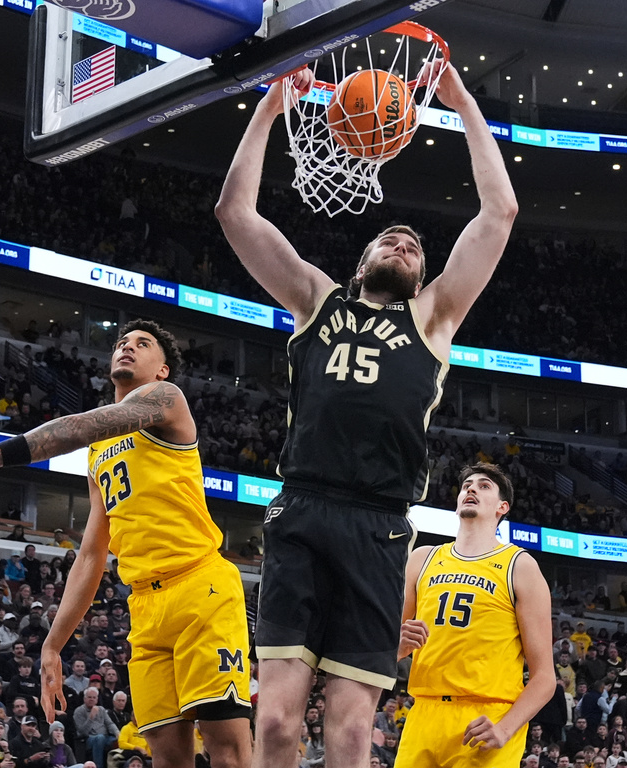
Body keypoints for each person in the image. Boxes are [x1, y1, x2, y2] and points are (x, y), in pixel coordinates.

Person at [214, 58, 517, 768]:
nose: (405, 245)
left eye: (416, 247)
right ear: (362, 261)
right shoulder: (317, 298)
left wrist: (462, 101)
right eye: (392, 240)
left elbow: (498, 212)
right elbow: (235, 212)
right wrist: (269, 107)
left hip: (381, 526)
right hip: (304, 508)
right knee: (281, 724)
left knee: (351, 734)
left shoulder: (437, 315)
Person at [0, 320, 251, 768]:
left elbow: (77, 426)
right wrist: (52, 644)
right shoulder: (100, 451)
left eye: (143, 345)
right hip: (145, 604)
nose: (128, 348)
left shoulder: (168, 400)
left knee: (227, 750)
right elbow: (91, 552)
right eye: (122, 343)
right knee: (167, 756)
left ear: (163, 370)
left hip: (201, 587)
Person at [396, 463, 554, 766]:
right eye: (467, 485)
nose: (471, 489)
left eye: (484, 486)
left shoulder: (520, 566)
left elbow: (545, 677)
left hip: (487, 717)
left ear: (502, 507)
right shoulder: (421, 558)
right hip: (424, 714)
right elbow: (385, 651)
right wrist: (396, 648)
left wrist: (505, 730)